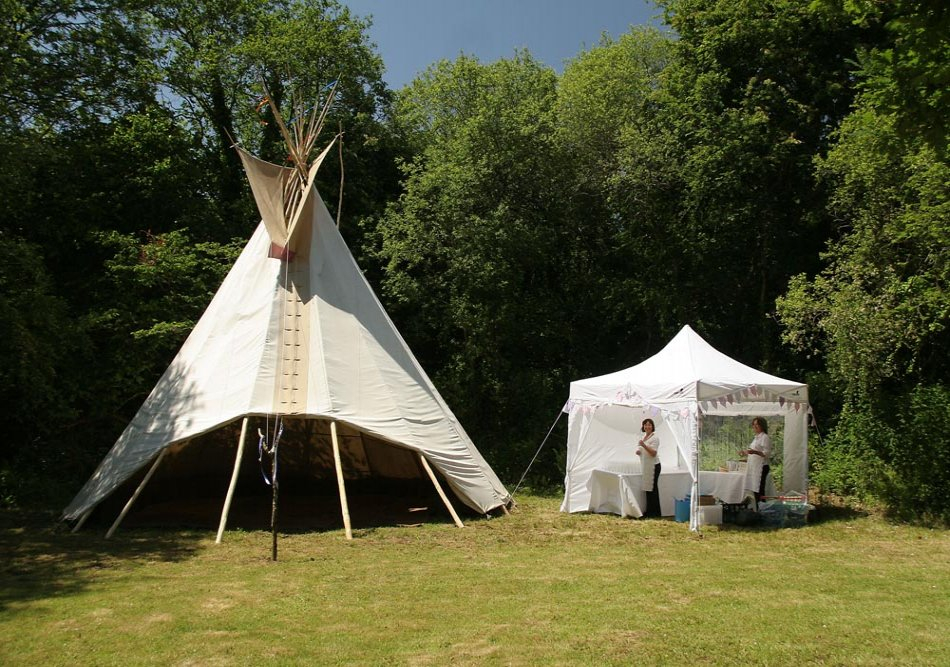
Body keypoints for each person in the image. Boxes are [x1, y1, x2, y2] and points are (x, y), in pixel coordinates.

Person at [741, 416, 772, 502]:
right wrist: (745, 453)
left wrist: (754, 452)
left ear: (762, 425)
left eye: (757, 424)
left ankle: (762, 510)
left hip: (762, 467)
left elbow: (767, 454)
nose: (755, 426)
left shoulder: (765, 437)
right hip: (755, 467)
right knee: (755, 490)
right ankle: (759, 509)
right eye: (754, 424)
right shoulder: (756, 437)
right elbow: (754, 452)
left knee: (759, 490)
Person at [636, 418, 661, 517]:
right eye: (645, 425)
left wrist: (644, 446)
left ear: (652, 426)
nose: (647, 426)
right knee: (648, 488)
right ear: (643, 427)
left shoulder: (655, 438)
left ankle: (655, 512)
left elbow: (653, 453)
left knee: (653, 489)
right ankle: (649, 510)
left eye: (649, 425)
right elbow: (643, 450)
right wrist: (639, 451)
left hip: (654, 466)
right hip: (646, 466)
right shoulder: (644, 436)